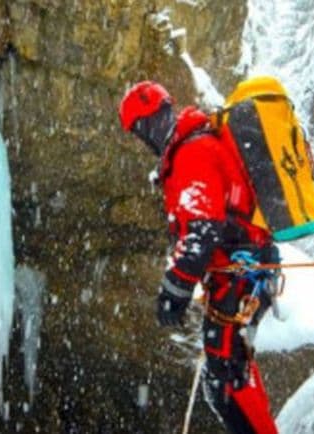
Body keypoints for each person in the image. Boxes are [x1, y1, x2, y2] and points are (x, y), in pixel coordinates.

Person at [118, 81, 280, 434]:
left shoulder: (192, 152)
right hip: (243, 270)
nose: (144, 140)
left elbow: (202, 231)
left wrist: (174, 291)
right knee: (227, 372)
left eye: (140, 130)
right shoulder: (196, 145)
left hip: (242, 271)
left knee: (226, 377)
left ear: (149, 123)